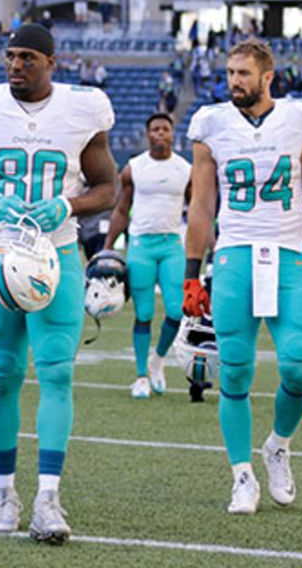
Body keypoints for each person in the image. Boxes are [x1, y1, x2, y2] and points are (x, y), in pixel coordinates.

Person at [0, 23, 117, 544]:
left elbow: (107, 186)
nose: (16, 66)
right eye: (11, 56)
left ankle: (47, 497)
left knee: (58, 374)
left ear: (51, 62)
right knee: (1, 376)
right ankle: (4, 490)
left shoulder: (83, 110)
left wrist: (67, 203)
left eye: (28, 59)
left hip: (57, 252)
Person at [183, 38, 302, 515]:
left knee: (299, 366)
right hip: (235, 256)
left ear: (268, 76)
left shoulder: (300, 119)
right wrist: (191, 274)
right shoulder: (210, 124)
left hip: (287, 254)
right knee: (234, 373)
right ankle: (242, 476)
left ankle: (278, 444)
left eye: (243, 73)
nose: (234, 80)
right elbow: (201, 205)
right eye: (230, 72)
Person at [103, 113, 192, 399]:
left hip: (171, 245)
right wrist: (108, 244)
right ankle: (141, 376)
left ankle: (158, 359)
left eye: (165, 128)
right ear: (148, 134)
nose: (160, 133)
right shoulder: (134, 168)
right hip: (141, 244)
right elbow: (120, 209)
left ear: (172, 133)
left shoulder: (185, 169)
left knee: (178, 312)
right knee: (143, 313)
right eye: (155, 129)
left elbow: (199, 209)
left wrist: (211, 245)